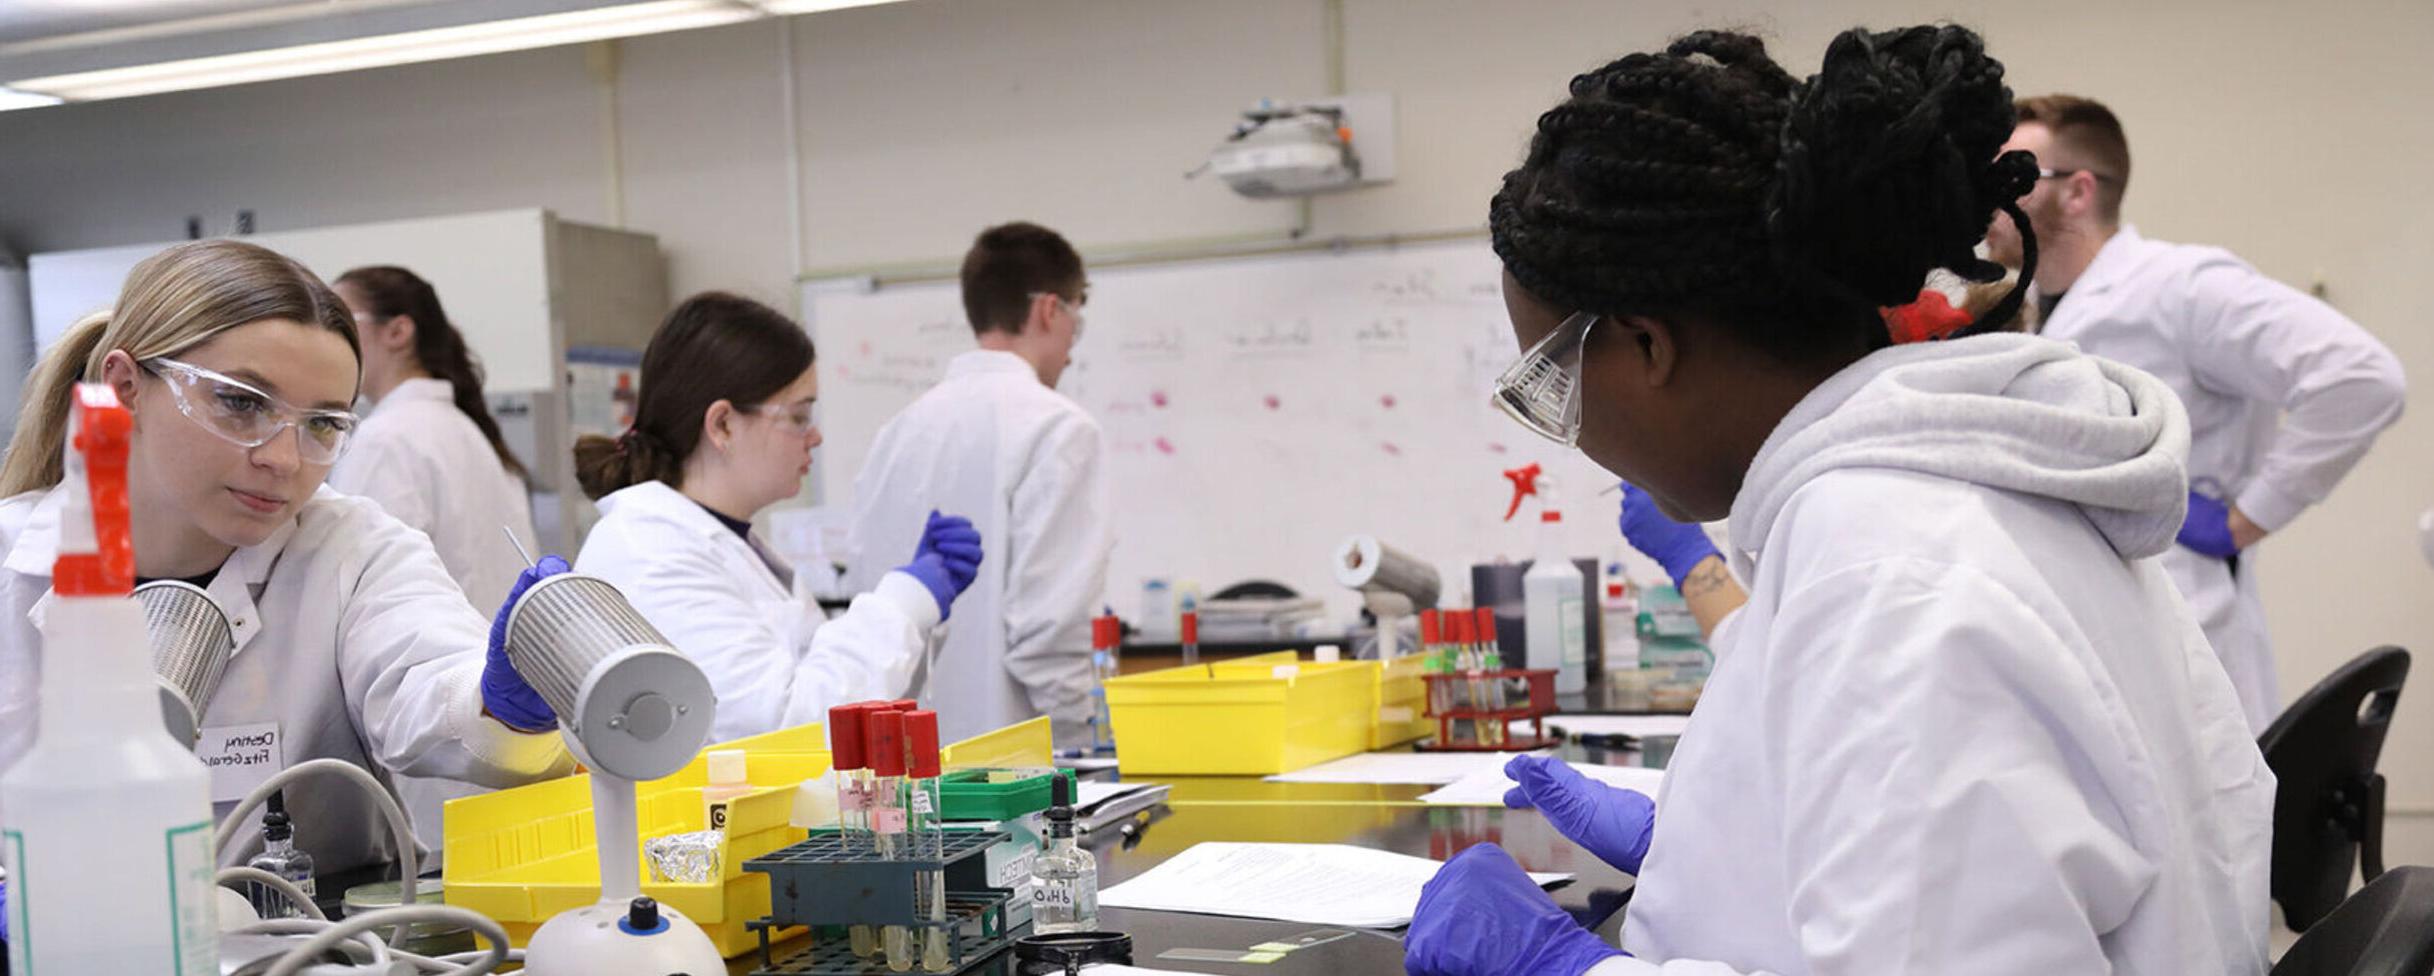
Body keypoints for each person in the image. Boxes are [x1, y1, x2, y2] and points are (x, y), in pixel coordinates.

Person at [1407, 26, 2273, 976]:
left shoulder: (1892, 570)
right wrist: (1708, 847)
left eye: (1554, 381)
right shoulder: (1950, 488)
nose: (1568, 429)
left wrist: (1573, 974)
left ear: (1648, 346)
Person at [0, 240, 572, 876]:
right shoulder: (11, 564)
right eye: (242, 403)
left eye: (323, 423)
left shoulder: (351, 549)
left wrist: (496, 700)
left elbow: (425, 675)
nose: (283, 459)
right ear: (126, 387)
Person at [1985, 94, 2406, 732]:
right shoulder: (2025, 309)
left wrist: (2242, 521)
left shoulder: (2182, 287)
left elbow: (2362, 376)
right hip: (2079, 635)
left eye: (2013, 177)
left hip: (2188, 631)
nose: (1988, 198)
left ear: (2077, 192)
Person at [572, 292, 983, 743]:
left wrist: (918, 613)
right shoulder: (648, 552)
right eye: (799, 416)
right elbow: (782, 732)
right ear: (723, 425)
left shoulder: (732, 544)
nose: (816, 436)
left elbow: (840, 702)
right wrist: (903, 602)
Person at [846, 223, 1111, 745]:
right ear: (1049, 310)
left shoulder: (897, 431)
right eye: (1075, 323)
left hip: (901, 764)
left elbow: (867, 590)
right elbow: (1050, 629)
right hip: (1017, 766)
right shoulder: (1059, 427)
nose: (1072, 350)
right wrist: (1081, 743)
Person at [327, 265, 538, 609]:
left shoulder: (385, 439)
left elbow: (357, 587)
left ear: (397, 331)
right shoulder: (465, 429)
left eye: (341, 321)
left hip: (431, 657)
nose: (327, 335)